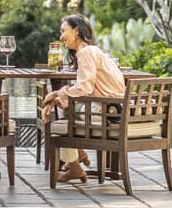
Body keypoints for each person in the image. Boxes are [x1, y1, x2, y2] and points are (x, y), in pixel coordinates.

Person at [42, 14, 125, 183]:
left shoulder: (86, 52)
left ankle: (74, 166)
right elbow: (86, 89)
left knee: (58, 126)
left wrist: (57, 95)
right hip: (113, 110)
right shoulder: (93, 51)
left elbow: (84, 88)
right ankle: (77, 155)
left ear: (76, 31)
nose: (60, 36)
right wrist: (59, 96)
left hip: (107, 113)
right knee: (67, 115)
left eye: (63, 31)